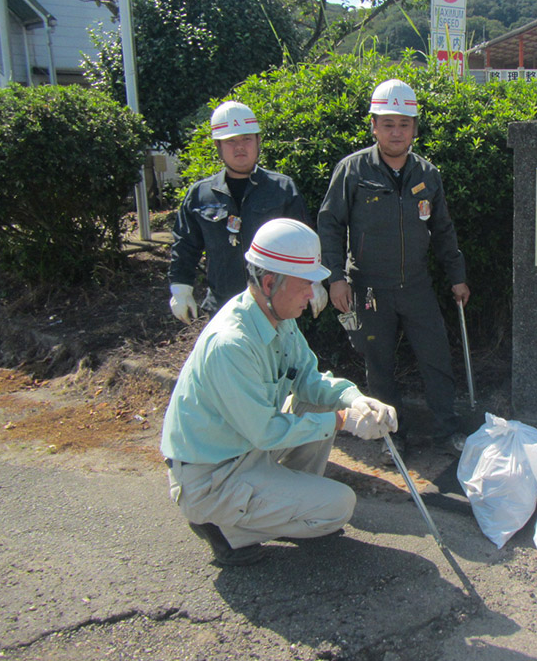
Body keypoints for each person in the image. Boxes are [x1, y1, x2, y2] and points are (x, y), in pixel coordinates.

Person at [160, 219, 398, 566]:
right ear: (270, 282)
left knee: (315, 407)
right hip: (212, 476)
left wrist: (355, 399)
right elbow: (266, 431)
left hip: (243, 450)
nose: (312, 295)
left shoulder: (278, 317)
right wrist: (344, 421)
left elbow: (308, 381)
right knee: (337, 507)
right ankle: (225, 527)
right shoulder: (232, 344)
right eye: (306, 284)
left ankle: (281, 502)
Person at [317, 79, 470, 461]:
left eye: (404, 124)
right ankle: (391, 438)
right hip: (369, 288)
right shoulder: (352, 170)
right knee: (379, 364)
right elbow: (330, 224)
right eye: (388, 124)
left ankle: (446, 431)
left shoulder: (427, 174)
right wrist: (335, 277)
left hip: (416, 285)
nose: (396, 131)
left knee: (436, 357)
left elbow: (443, 229)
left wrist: (457, 276)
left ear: (414, 128)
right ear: (374, 127)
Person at [168, 100, 320, 322]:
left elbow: (304, 242)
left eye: (247, 139)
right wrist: (181, 289)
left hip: (275, 307)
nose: (240, 147)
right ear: (218, 146)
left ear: (258, 141)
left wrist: (313, 282)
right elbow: (185, 246)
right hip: (222, 306)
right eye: (230, 141)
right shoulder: (200, 195)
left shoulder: (282, 189)